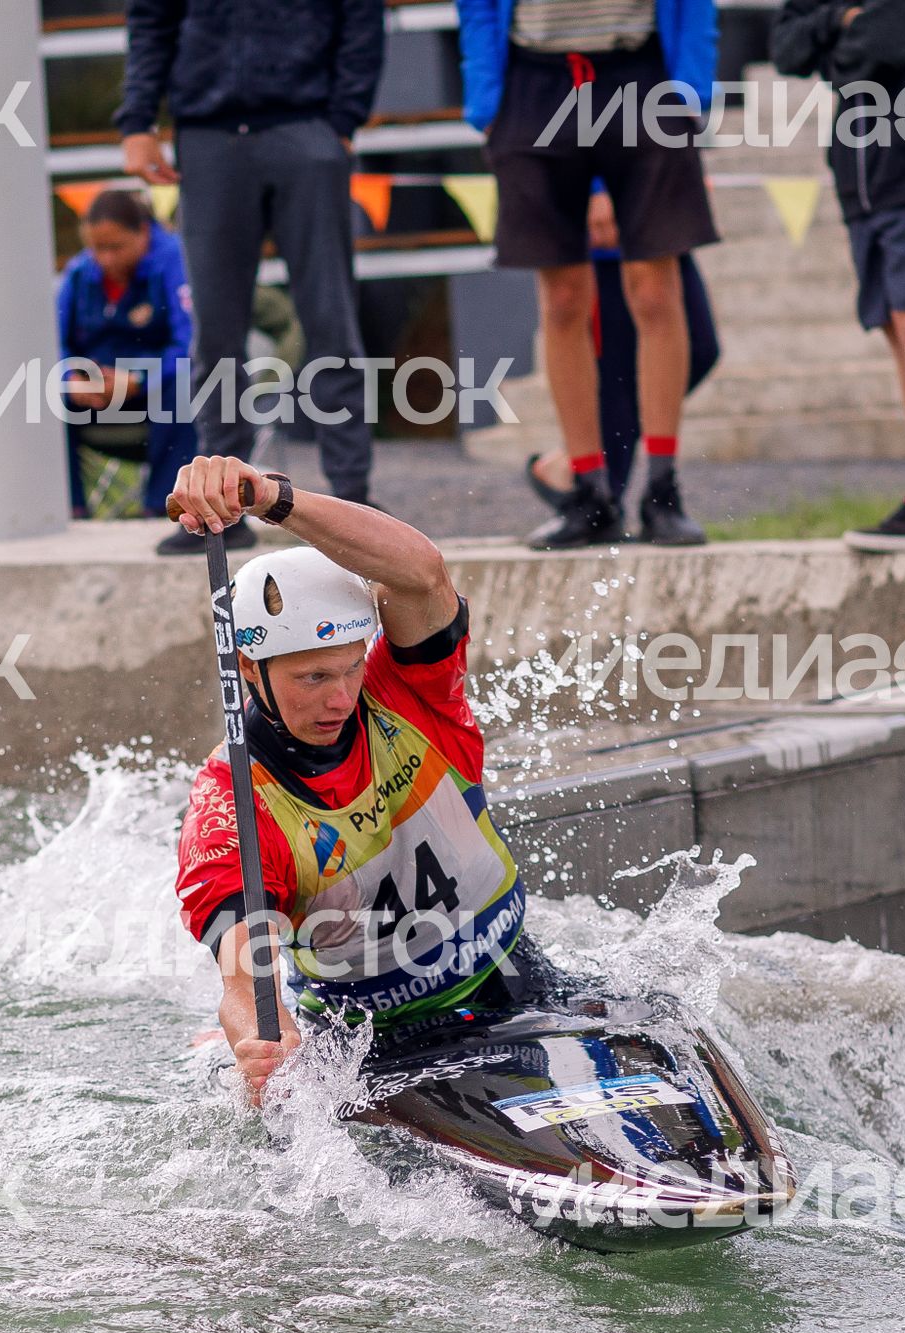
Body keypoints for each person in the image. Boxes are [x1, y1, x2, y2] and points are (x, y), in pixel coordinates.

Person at [166, 455, 555, 1104]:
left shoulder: (409, 694)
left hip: (519, 987)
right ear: (247, 669)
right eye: (313, 678)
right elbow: (242, 983)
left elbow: (421, 572)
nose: (342, 698)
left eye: (349, 668)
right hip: (375, 1049)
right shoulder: (233, 809)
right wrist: (266, 1042)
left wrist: (271, 497)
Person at [118, 0, 384, 554]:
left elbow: (360, 15)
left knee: (329, 318)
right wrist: (138, 121)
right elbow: (151, 17)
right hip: (209, 136)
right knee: (215, 329)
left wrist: (343, 119)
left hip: (305, 126)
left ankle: (352, 498)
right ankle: (221, 510)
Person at [462, 0, 720, 549]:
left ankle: (663, 490)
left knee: (654, 293)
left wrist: (692, 89)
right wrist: (487, 100)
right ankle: (589, 493)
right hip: (534, 81)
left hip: (641, 76)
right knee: (561, 301)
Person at [772, 0, 905, 550]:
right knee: (894, 325)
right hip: (859, 177)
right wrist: (840, 21)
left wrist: (830, 41)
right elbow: (785, 48)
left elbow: (885, 43)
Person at [524, 186, 718, 519]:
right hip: (607, 232)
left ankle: (572, 467)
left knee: (699, 349)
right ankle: (595, 491)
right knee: (616, 376)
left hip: (655, 205)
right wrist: (598, 189)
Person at [57, 187, 199, 520]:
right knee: (42, 395)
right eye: (97, 248)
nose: (106, 259)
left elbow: (190, 344)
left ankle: (162, 510)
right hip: (96, 396)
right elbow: (54, 343)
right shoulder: (79, 274)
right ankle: (69, 510)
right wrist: (71, 379)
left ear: (144, 233)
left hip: (154, 394)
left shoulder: (176, 261)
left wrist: (138, 381)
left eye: (116, 247)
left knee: (183, 391)